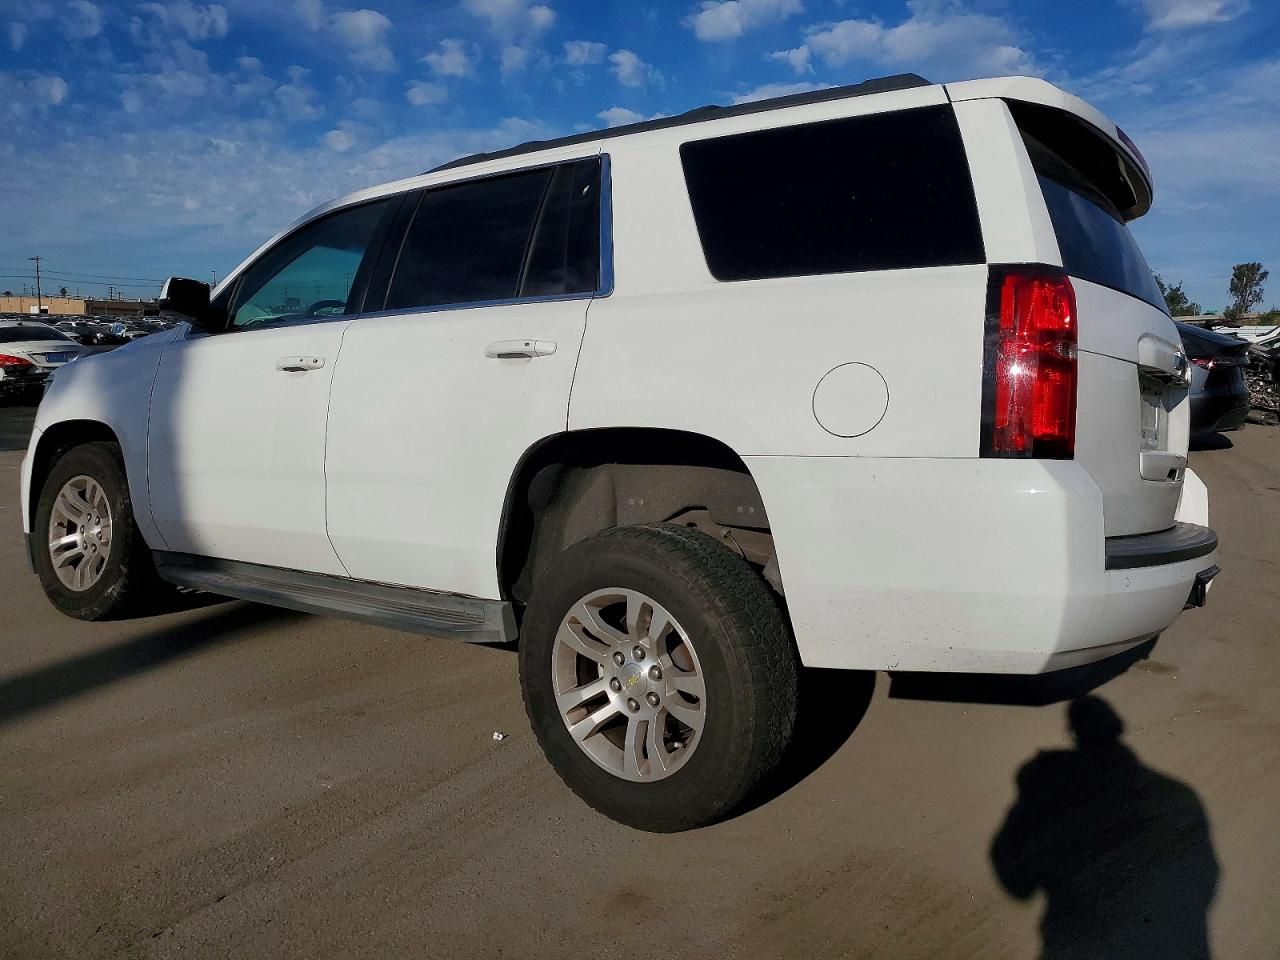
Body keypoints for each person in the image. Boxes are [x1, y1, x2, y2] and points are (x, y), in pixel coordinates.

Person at [991, 695, 1218, 960]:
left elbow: (1016, 877)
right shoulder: (1176, 796)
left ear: (1074, 733)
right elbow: (1205, 880)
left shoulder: (1054, 793)